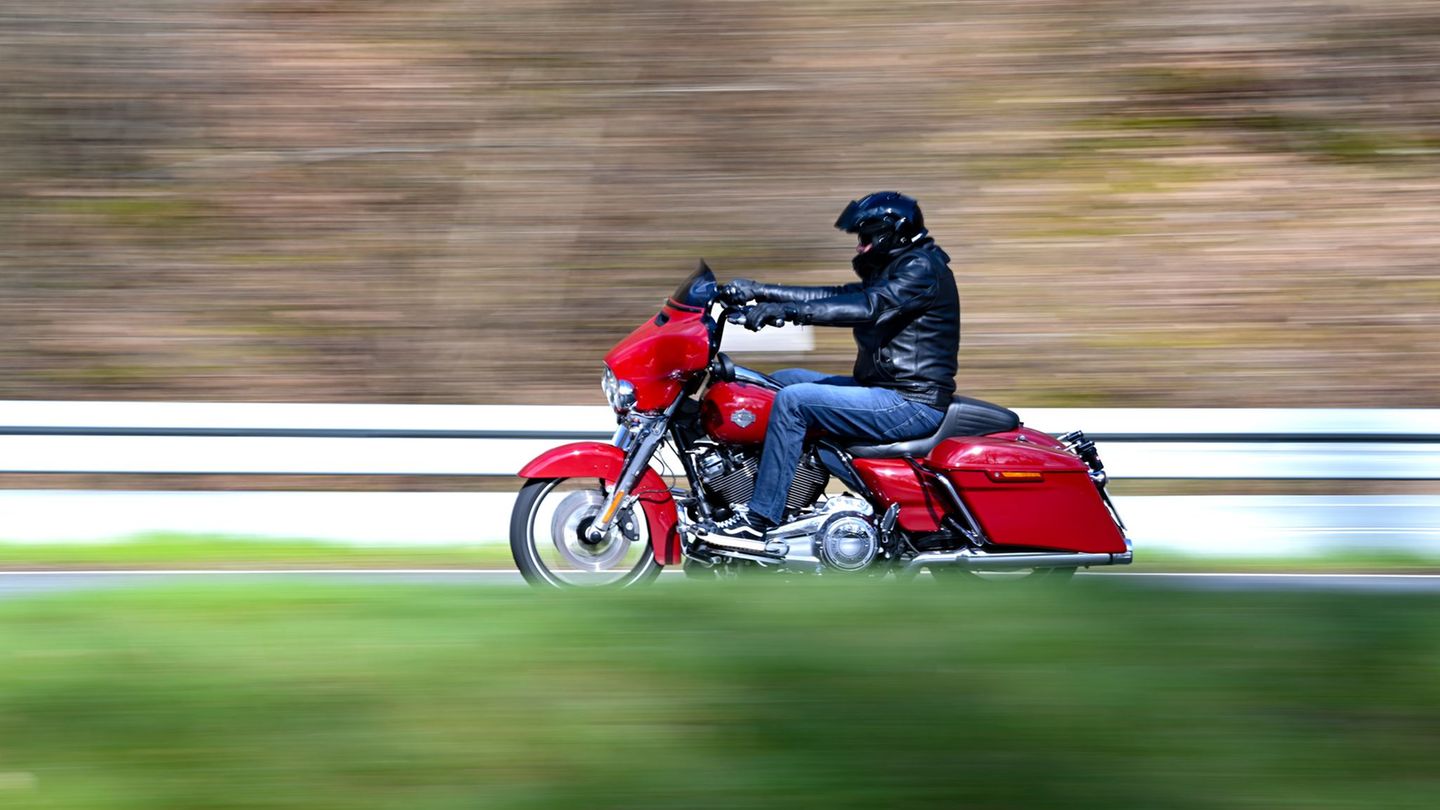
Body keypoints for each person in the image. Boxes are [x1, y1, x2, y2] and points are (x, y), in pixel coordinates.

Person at [707, 191, 960, 543]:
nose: (860, 246)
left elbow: (867, 307)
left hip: (910, 402)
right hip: (883, 388)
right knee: (779, 383)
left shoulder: (920, 269)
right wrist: (759, 291)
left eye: (866, 237)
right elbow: (838, 295)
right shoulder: (900, 267)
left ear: (892, 233)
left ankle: (760, 518)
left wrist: (789, 312)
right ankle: (776, 494)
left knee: (795, 401)